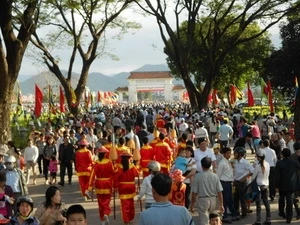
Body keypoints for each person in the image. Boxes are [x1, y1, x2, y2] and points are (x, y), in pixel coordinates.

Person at [190, 157, 224, 225]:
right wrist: (221, 204)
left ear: (201, 166)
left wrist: (192, 204)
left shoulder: (198, 176)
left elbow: (194, 192)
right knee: (213, 221)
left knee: (204, 222)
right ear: (211, 165)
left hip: (203, 200)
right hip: (213, 200)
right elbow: (219, 191)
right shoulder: (215, 176)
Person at [88, 146, 115, 225]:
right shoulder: (109, 162)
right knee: (107, 200)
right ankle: (106, 212)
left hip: (99, 183)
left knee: (100, 202)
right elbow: (113, 172)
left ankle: (102, 218)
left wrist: (89, 187)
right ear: (105, 154)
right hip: (107, 183)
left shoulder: (96, 163)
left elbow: (92, 175)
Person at [275, 148, 300, 223]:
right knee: (290, 201)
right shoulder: (295, 162)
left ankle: (282, 212)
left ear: (282, 154)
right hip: (292, 185)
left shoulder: (279, 163)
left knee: (281, 199)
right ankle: (289, 217)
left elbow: (277, 175)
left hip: (282, 185)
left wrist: (276, 186)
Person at [115, 151, 139, 225]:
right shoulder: (132, 167)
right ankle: (131, 217)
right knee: (131, 203)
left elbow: (116, 178)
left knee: (124, 204)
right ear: (129, 159)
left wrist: (115, 188)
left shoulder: (119, 168)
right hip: (131, 187)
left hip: (122, 187)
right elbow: (137, 174)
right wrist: (136, 165)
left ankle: (126, 220)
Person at [216, 147, 239, 223]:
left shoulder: (228, 162)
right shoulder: (222, 163)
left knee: (230, 199)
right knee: (225, 200)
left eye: (230, 153)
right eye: (228, 153)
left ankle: (233, 214)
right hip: (224, 183)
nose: (229, 154)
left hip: (229, 183)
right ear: (224, 154)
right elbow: (218, 175)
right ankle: (224, 215)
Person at [233, 147, 254, 219]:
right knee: (236, 197)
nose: (234, 155)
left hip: (242, 182)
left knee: (243, 198)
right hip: (237, 181)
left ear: (240, 154)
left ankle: (244, 213)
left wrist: (245, 177)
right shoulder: (236, 161)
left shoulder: (245, 162)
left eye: (235, 153)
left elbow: (252, 170)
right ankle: (236, 212)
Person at [251, 149, 271, 225]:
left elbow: (253, 177)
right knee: (266, 203)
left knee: (258, 205)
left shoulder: (258, 166)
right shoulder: (268, 165)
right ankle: (268, 219)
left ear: (258, 157)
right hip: (266, 185)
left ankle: (258, 221)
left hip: (258, 186)